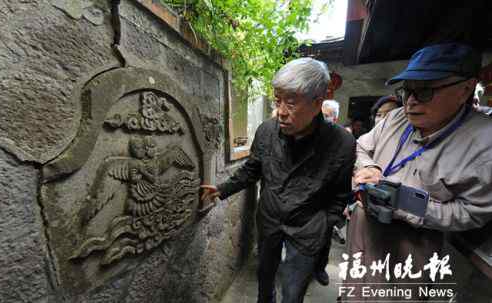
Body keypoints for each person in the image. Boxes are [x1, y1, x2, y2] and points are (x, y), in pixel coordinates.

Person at [343, 43, 492, 301]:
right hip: (364, 225)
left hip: (411, 244)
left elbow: (471, 213)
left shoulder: (484, 145)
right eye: (407, 91)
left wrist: (408, 205)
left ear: (465, 89)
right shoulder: (396, 118)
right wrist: (368, 167)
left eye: (424, 91)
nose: (411, 101)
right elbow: (360, 148)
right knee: (355, 291)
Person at [201, 57, 356, 303]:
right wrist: (222, 189)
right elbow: (251, 170)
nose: (281, 111)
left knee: (293, 292)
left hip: (308, 228)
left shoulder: (342, 143)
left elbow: (340, 193)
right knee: (265, 280)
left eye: (291, 103)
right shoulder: (266, 131)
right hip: (270, 220)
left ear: (317, 104)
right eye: (277, 100)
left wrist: (326, 223)